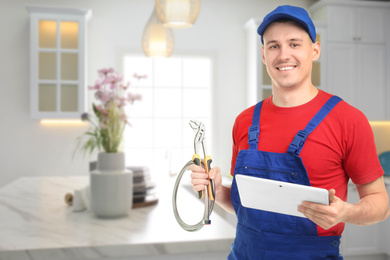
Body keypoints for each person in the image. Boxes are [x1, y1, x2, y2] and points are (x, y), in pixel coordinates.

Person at [190, 5, 389, 260]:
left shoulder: (348, 120)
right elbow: (243, 206)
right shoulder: (244, 122)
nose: (284, 55)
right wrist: (216, 190)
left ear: (314, 50)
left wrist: (345, 212)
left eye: (294, 44)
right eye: (273, 46)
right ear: (263, 54)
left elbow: (380, 204)